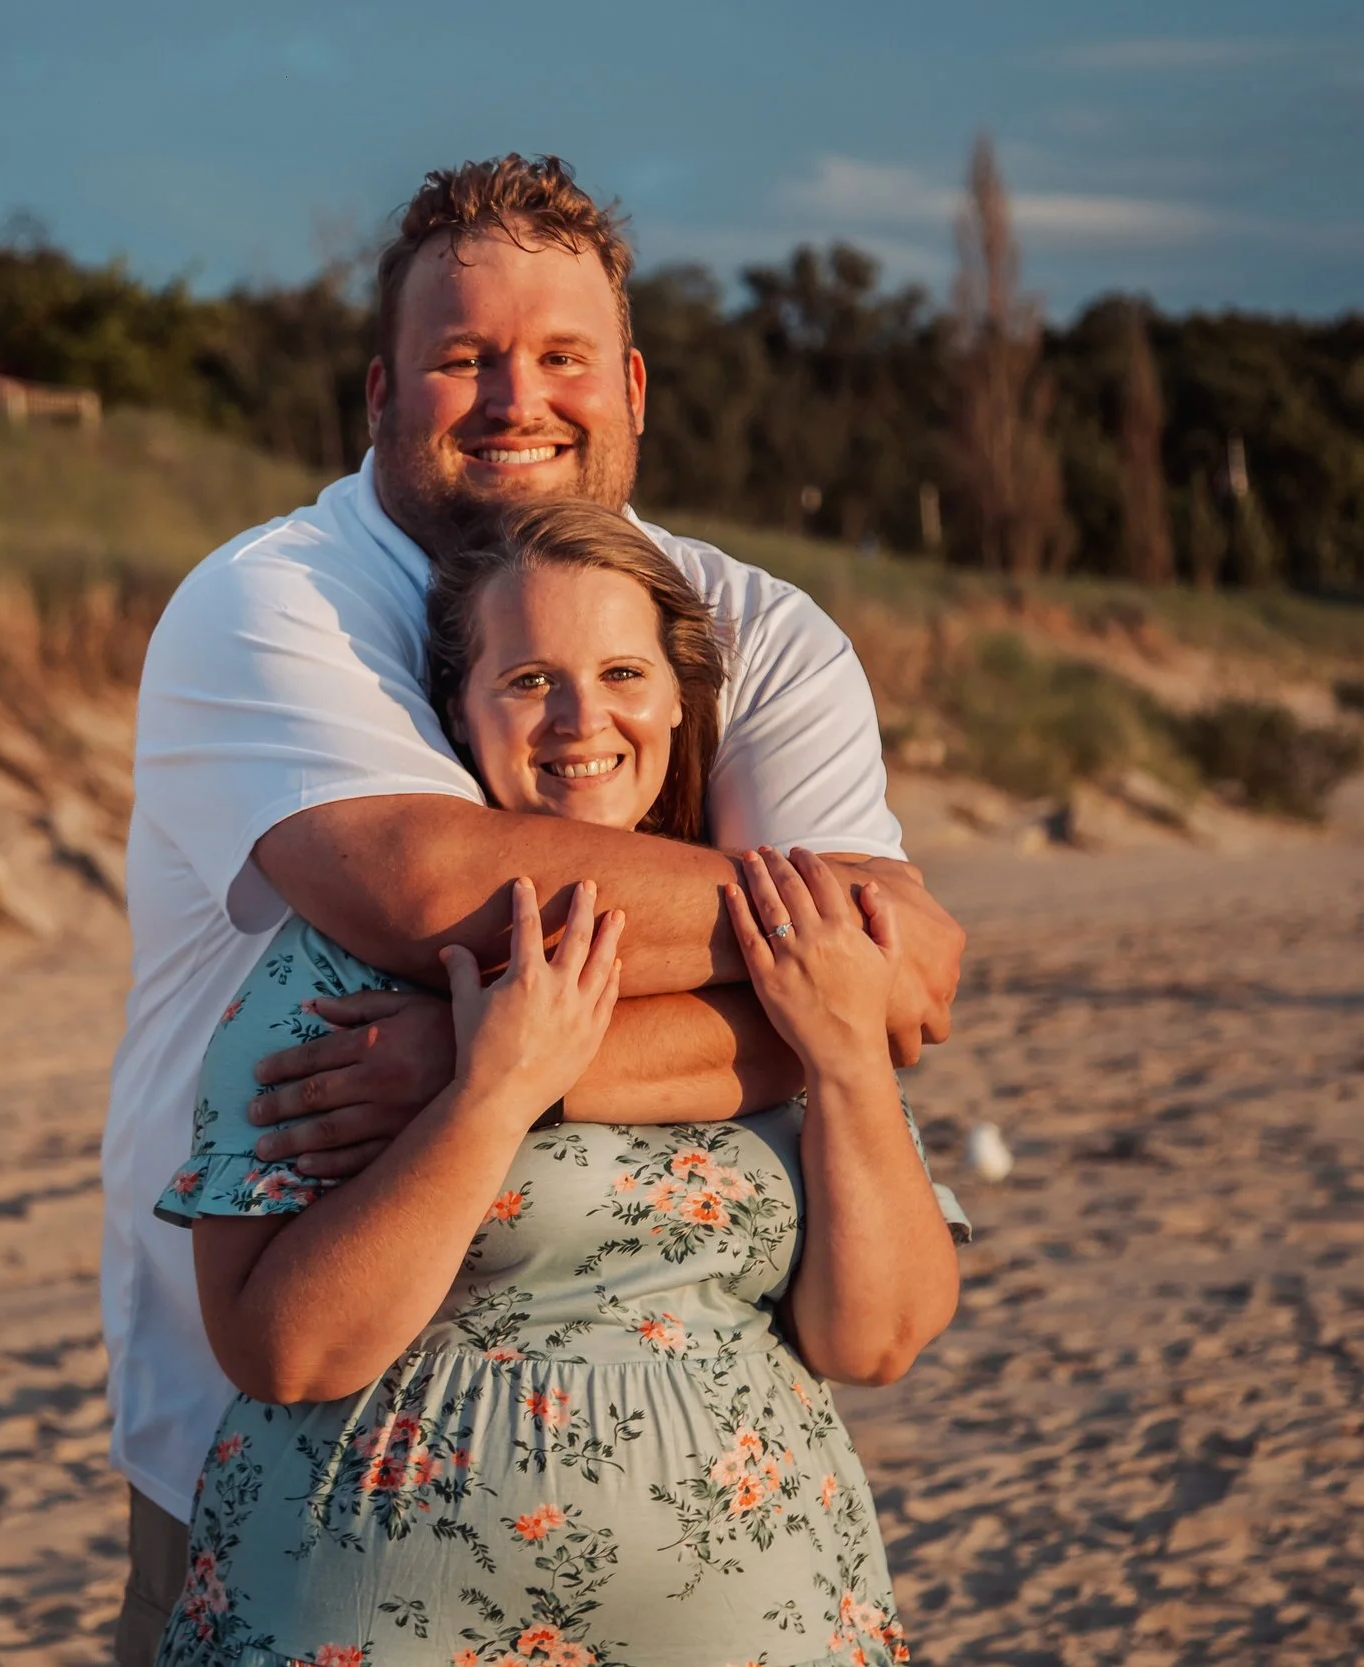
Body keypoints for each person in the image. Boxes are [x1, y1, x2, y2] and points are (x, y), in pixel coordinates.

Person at [103, 155, 968, 1666]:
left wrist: (479, 1061)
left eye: (563, 357)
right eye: (464, 360)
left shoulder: (753, 632)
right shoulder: (280, 602)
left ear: (632, 384)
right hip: (288, 1456)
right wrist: (814, 952)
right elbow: (429, 888)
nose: (519, 399)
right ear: (379, 390)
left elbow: (884, 998)